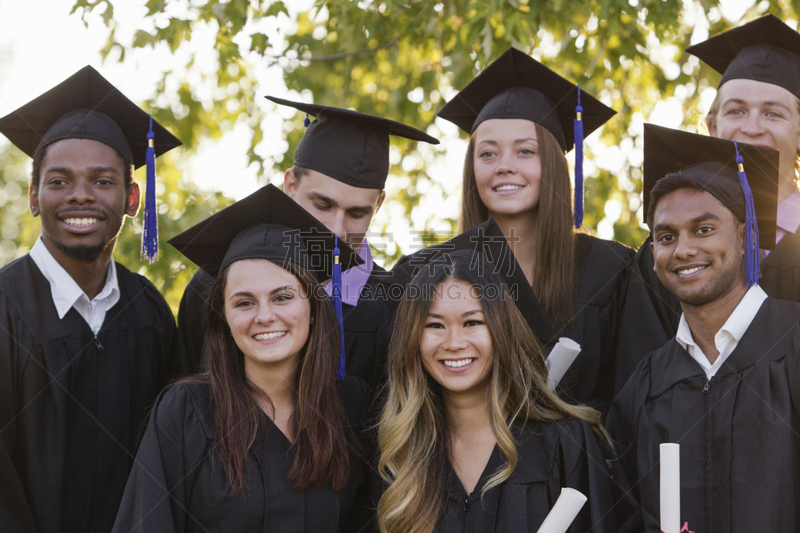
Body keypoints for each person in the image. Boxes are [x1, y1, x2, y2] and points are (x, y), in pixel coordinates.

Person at [112, 184, 375, 532]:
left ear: (313, 309)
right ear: (224, 318)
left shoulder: (352, 408)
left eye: (282, 297)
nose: (264, 316)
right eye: (244, 302)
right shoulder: (187, 411)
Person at [0, 66, 181, 532]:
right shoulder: (3, 306)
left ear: (132, 197)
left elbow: (174, 455)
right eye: (59, 181)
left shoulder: (149, 311)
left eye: (102, 181)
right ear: (35, 196)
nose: (81, 196)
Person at [606, 125, 800, 532]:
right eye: (666, 236)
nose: (683, 249)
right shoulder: (644, 388)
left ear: (747, 238)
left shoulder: (794, 344)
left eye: (704, 229)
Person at [177, 98, 439, 389]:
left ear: (378, 205)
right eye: (322, 204)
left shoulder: (393, 308)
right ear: (290, 185)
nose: (336, 230)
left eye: (356, 213)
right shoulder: (214, 288)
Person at [433, 46, 635, 413]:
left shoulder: (613, 270)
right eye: (488, 154)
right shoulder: (437, 270)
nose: (504, 166)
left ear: (556, 165)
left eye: (525, 151)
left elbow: (633, 397)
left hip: (586, 465)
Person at [377, 249, 617, 533]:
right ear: (413, 338)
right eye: (435, 325)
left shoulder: (564, 444)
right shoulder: (402, 456)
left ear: (501, 329)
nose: (454, 342)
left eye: (472, 322)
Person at [617, 14, 800, 384]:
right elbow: (641, 382)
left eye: (772, 113)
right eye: (736, 110)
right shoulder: (668, 256)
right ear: (713, 127)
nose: (751, 126)